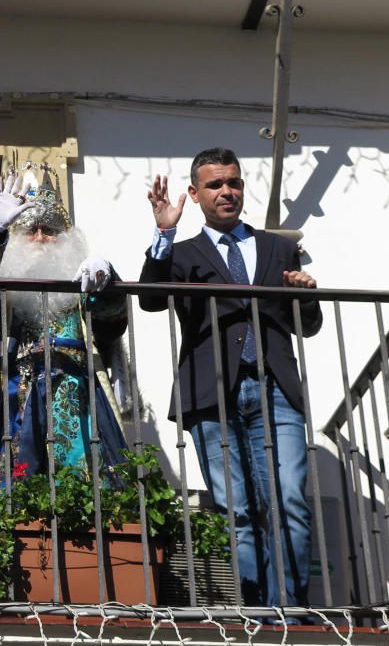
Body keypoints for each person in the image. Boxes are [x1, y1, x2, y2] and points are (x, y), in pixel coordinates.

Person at [138, 147, 321, 609]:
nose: (227, 192)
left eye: (234, 183)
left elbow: (308, 326)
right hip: (210, 392)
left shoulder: (280, 247)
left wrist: (306, 296)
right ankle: (256, 609)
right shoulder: (180, 254)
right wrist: (164, 232)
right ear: (195, 194)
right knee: (236, 510)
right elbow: (150, 300)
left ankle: (291, 612)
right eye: (216, 185)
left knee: (290, 502)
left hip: (275, 387)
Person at [0, 163, 129, 491]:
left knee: (86, 495)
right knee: (3, 492)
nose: (40, 237)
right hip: (5, 402)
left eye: (50, 230)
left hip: (76, 402)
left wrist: (108, 279)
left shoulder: (81, 284)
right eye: (30, 230)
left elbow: (113, 322)